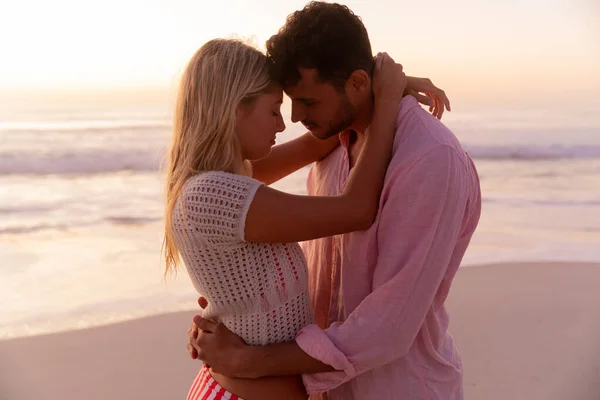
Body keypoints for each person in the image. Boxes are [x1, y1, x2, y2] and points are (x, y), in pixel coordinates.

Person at [187, 2, 482, 400]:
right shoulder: (330, 141)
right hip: (323, 390)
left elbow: (388, 328)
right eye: (288, 101)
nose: (293, 117)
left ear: (360, 84)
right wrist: (233, 305)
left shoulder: (429, 159)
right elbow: (230, 188)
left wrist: (252, 361)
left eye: (308, 102)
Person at [163, 35, 412, 400]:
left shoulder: (226, 181)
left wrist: (374, 87)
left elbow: (320, 138)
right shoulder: (215, 196)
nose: (283, 124)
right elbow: (356, 209)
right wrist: (388, 101)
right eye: (273, 110)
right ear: (236, 109)